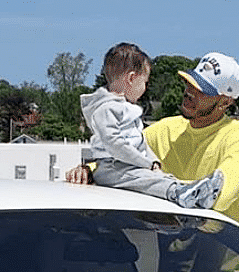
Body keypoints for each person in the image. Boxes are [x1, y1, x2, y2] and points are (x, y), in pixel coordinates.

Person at [68, 51, 239, 226]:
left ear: (225, 102)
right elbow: (124, 152)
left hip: (219, 260)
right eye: (190, 83)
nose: (190, 91)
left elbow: (217, 199)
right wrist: (90, 169)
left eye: (202, 90)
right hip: (169, 257)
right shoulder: (165, 128)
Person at [80, 43, 224, 209]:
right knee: (148, 180)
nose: (145, 88)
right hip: (113, 169)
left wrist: (153, 161)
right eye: (145, 82)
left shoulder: (122, 107)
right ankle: (179, 193)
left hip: (129, 165)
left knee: (160, 177)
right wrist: (145, 163)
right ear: (132, 78)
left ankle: (191, 191)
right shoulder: (105, 109)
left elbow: (140, 141)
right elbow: (114, 144)